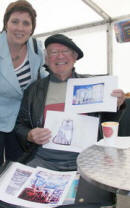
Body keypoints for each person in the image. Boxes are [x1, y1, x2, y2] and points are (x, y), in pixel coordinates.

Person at [15, 34, 126, 207]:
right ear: (47, 59)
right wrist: (29, 134)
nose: (59, 56)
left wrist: (117, 105)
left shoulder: (95, 85)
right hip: (44, 159)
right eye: (53, 52)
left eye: (65, 51)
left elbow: (108, 122)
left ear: (74, 57)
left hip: (88, 160)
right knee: (26, 201)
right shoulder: (34, 90)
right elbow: (19, 125)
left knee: (89, 204)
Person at [0, 0, 47, 208]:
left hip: (21, 119)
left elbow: (43, 75)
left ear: (32, 28)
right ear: (6, 23)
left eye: (26, 23)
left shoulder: (36, 47)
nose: (20, 28)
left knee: (19, 169)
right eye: (15, 21)